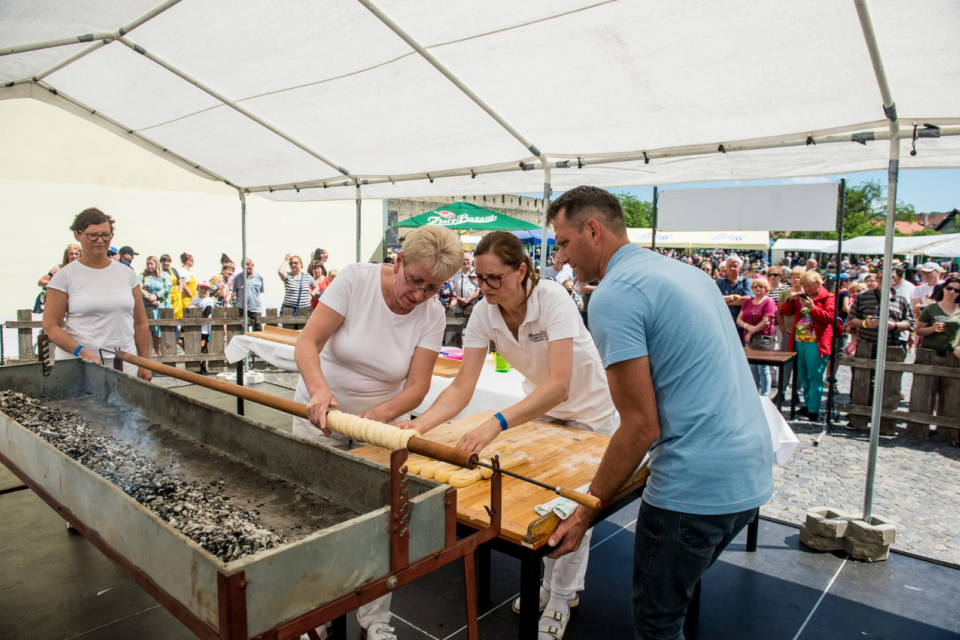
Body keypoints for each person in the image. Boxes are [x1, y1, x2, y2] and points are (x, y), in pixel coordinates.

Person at [543, 186, 772, 640]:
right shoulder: (688, 274)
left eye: (564, 243)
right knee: (675, 603)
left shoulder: (614, 294)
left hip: (693, 485)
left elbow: (641, 424)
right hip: (750, 473)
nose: (562, 259)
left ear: (594, 230)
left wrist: (585, 513)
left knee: (656, 622)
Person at [398, 231, 618, 638]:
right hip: (543, 411)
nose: (485, 288)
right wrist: (421, 424)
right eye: (479, 279)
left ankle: (559, 595)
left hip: (592, 414)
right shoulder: (484, 312)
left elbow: (559, 385)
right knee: (543, 500)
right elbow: (464, 385)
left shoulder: (552, 298)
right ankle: (555, 585)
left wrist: (496, 422)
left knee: (575, 503)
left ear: (522, 270)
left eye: (494, 278)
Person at [292, 226, 462, 640]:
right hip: (321, 413)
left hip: (376, 426)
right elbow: (308, 343)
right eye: (415, 281)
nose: (419, 295)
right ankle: (305, 617)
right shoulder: (355, 279)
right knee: (309, 517)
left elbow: (418, 387)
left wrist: (377, 417)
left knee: (380, 523)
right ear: (398, 261)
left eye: (432, 288)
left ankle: (375, 619)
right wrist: (319, 392)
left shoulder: (432, 313)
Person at [42, 208, 152, 381]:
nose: (100, 241)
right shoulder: (64, 276)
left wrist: (145, 363)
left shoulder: (127, 274)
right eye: (93, 235)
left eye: (105, 235)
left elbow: (140, 322)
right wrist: (82, 352)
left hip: (124, 362)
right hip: (79, 364)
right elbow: (51, 326)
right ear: (78, 235)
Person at [780, 271, 835, 421]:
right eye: (804, 286)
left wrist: (812, 308)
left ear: (818, 284)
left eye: (809, 286)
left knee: (814, 375)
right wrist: (791, 300)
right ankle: (807, 404)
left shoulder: (828, 297)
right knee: (803, 375)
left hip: (816, 341)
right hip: (799, 340)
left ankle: (813, 408)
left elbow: (829, 317)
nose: (807, 289)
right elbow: (786, 312)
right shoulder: (802, 297)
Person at [737, 276, 777, 396]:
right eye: (755, 287)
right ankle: (754, 393)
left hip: (762, 338)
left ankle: (764, 395)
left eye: (761, 287)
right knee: (752, 368)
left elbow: (766, 321)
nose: (758, 289)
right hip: (748, 338)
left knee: (763, 369)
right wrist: (747, 327)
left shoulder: (768, 301)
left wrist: (751, 331)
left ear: (766, 289)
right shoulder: (748, 301)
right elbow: (739, 319)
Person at [36, 243, 82, 314]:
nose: (74, 256)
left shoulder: (84, 270)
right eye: (71, 254)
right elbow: (41, 282)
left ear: (80, 255)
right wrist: (56, 284)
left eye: (76, 254)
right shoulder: (59, 268)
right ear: (67, 255)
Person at [716, 255, 753, 341]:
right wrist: (733, 297)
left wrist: (724, 300)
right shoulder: (720, 282)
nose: (732, 268)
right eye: (730, 266)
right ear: (726, 268)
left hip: (742, 325)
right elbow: (715, 299)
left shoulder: (746, 281)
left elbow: (748, 300)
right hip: (723, 325)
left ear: (739, 268)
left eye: (735, 266)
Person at [141, 255, 171, 356]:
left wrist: (157, 296)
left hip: (162, 306)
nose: (149, 266)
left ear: (156, 264)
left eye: (151, 264)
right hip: (148, 305)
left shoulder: (164, 275)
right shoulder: (143, 275)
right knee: (151, 330)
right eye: (148, 264)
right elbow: (138, 288)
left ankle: (165, 352)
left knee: (162, 329)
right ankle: (156, 352)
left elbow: (167, 289)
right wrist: (149, 297)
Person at [231, 257, 265, 331]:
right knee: (243, 330)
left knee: (258, 329)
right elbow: (234, 293)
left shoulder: (259, 277)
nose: (246, 267)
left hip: (255, 307)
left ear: (252, 265)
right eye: (243, 265)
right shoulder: (237, 278)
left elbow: (260, 291)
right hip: (242, 308)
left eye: (247, 264)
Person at [190, 281, 215, 374]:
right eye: (202, 288)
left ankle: (203, 364)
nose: (203, 290)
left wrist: (195, 309)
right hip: (195, 328)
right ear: (198, 288)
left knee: (203, 346)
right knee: (195, 346)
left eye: (206, 289)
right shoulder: (194, 300)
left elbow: (206, 313)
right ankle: (196, 364)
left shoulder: (209, 300)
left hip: (205, 329)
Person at [451, 251, 481, 317]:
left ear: (471, 261)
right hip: (458, 310)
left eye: (467, 260)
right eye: (463, 260)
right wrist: (459, 299)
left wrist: (468, 300)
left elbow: (479, 291)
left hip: (472, 309)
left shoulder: (476, 274)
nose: (465, 262)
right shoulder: (455, 274)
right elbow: (452, 289)